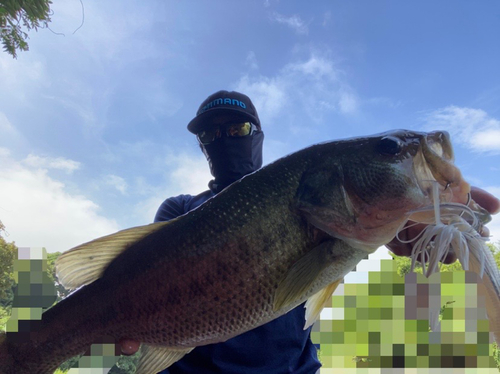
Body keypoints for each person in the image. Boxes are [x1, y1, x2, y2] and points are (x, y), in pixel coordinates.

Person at [118, 90, 500, 372]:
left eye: (238, 128)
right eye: (210, 135)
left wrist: (412, 230)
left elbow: (364, 231)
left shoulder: (319, 200)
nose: (224, 139)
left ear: (257, 136)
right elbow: (138, 290)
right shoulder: (178, 210)